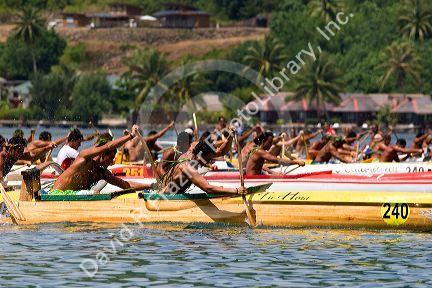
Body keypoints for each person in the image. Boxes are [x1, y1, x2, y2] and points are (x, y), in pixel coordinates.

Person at [52, 125, 152, 192]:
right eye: (111, 158)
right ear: (103, 155)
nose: (112, 162)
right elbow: (108, 147)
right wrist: (131, 135)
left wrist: (151, 185)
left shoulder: (102, 173)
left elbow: (126, 185)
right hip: (55, 195)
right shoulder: (84, 157)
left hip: (73, 200)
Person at [160, 139, 246, 196]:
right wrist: (236, 191)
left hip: (172, 195)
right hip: (165, 199)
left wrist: (230, 137)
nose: (208, 162)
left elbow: (221, 152)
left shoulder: (192, 154)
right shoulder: (187, 167)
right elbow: (208, 188)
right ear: (200, 155)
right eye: (208, 159)